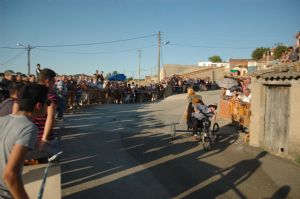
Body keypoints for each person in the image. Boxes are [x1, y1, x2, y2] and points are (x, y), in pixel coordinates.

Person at [0, 83, 48, 199]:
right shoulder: (29, 128)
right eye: (48, 103)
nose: (49, 106)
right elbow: (10, 175)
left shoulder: (2, 119)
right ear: (38, 105)